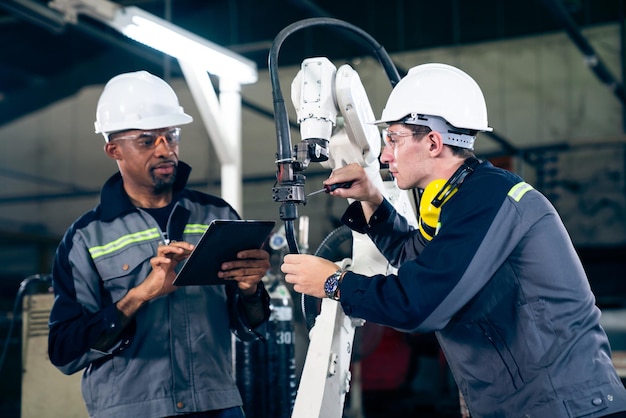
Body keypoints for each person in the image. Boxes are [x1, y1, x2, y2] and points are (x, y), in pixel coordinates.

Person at [281, 63, 626, 417]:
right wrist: (371, 199)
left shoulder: (491, 197)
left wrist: (333, 283)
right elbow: (415, 258)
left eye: (394, 139)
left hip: (569, 409)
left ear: (433, 142)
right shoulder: (459, 199)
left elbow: (419, 304)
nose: (385, 156)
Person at [48, 70, 271, 418]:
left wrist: (250, 290)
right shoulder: (86, 238)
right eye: (147, 140)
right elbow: (65, 351)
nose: (165, 150)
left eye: (171, 136)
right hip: (132, 410)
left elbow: (250, 326)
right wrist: (139, 296)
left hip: (217, 404)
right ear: (113, 149)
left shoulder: (217, 214)